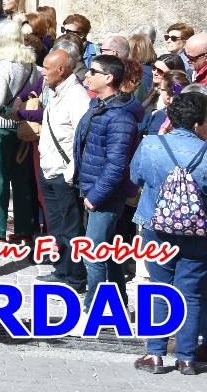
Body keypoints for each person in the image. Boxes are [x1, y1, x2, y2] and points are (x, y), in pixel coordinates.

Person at [129, 92, 207, 375]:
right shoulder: (206, 150)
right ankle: (187, 357)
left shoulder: (150, 144)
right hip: (198, 231)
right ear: (199, 123)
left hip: (156, 226)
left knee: (159, 288)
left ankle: (155, 355)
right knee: (191, 292)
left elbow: (134, 177)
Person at [73, 54, 140, 309]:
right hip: (92, 188)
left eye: (93, 71)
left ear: (109, 78)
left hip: (105, 195)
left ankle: (95, 309)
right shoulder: (100, 106)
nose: (87, 76)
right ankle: (117, 303)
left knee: (93, 254)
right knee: (108, 251)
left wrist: (95, 196)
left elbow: (117, 164)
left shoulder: (120, 117)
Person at [35, 48, 92, 290]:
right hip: (49, 169)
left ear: (61, 70)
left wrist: (72, 172)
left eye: (47, 68)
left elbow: (83, 137)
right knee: (57, 226)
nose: (43, 73)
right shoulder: (56, 91)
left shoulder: (77, 97)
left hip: (64, 174)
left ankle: (76, 278)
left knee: (71, 228)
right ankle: (62, 270)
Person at [0, 19, 40, 243]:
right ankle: (24, 229)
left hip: (0, 127)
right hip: (23, 128)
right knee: (22, 181)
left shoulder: (3, 66)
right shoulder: (31, 65)